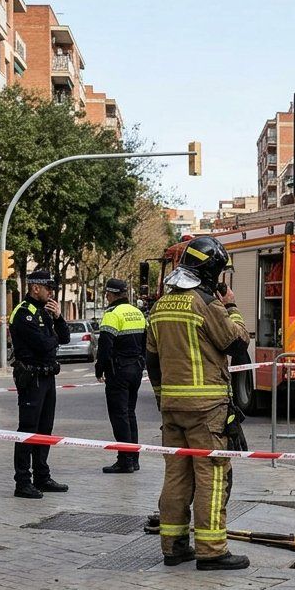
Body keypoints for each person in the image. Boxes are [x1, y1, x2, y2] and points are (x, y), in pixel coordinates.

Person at [146, 235, 252, 571]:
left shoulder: (160, 306)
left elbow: (152, 361)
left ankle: (174, 546)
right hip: (206, 409)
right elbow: (236, 344)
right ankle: (211, 550)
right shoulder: (206, 302)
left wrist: (164, 399)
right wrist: (232, 307)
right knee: (212, 475)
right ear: (211, 272)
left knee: (176, 476)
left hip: (172, 408)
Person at [8, 269, 71, 499]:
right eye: (49, 288)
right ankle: (22, 482)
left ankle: (42, 477)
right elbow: (44, 345)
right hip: (31, 378)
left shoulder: (45, 312)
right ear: (36, 288)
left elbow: (63, 338)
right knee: (27, 430)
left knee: (45, 430)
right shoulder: (23, 313)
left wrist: (59, 318)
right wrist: (51, 340)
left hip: (47, 377)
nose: (51, 293)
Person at [96, 278, 147, 474]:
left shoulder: (112, 314)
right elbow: (145, 342)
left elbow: (105, 346)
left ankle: (124, 459)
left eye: (107, 294)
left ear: (110, 294)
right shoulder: (138, 313)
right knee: (130, 413)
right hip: (135, 369)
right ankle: (133, 458)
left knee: (119, 416)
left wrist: (100, 369)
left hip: (118, 371)